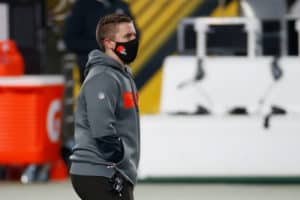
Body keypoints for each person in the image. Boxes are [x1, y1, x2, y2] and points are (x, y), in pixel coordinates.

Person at [69, 13, 140, 200]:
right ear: (109, 43)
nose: (134, 41)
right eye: (128, 37)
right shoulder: (103, 77)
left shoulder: (122, 75)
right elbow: (102, 130)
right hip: (99, 171)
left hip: (111, 171)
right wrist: (119, 160)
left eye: (134, 35)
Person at [64, 0, 137, 83]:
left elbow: (135, 35)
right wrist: (104, 46)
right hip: (93, 72)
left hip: (120, 72)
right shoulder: (81, 6)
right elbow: (71, 41)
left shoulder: (121, 5)